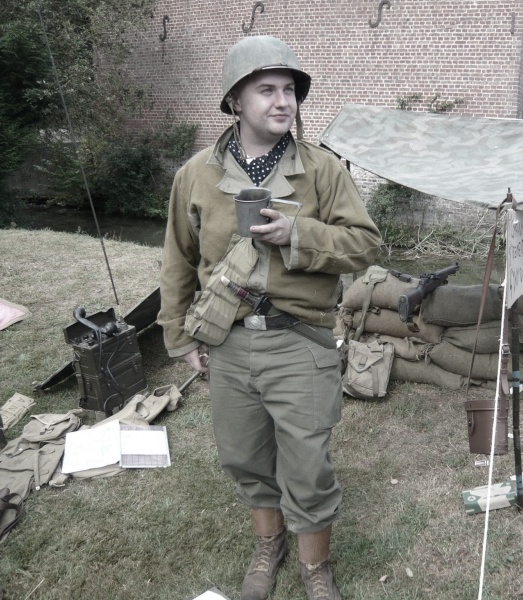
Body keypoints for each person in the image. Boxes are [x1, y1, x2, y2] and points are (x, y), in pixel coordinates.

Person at [157, 35, 382, 600]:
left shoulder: (322, 170)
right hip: (229, 342)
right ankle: (269, 544)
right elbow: (179, 259)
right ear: (236, 100)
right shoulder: (195, 175)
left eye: (290, 91)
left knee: (307, 463)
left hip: (299, 340)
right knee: (245, 456)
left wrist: (297, 234)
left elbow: (363, 245)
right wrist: (177, 334)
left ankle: (314, 568)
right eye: (266, 90)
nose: (283, 102)